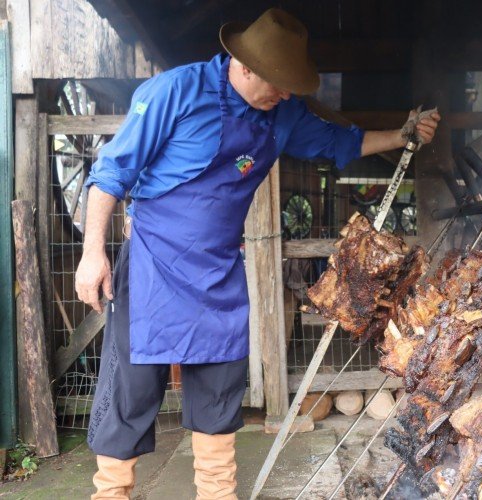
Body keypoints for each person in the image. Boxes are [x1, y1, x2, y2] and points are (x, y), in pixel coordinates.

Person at [74, 8, 440, 499]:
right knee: (132, 389)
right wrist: (92, 252)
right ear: (244, 67)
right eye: (280, 83)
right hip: (154, 265)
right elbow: (111, 173)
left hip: (219, 270)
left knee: (221, 385)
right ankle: (112, 492)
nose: (287, 94)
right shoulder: (175, 92)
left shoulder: (283, 114)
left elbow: (337, 142)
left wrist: (402, 135)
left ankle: (218, 494)